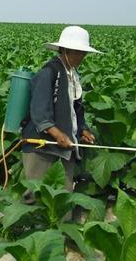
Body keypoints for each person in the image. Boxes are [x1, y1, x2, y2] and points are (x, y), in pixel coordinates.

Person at [21, 25, 101, 206]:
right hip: (42, 147)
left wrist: (82, 130)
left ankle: (60, 234)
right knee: (36, 195)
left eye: (83, 53)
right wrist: (58, 134)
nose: (81, 57)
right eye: (77, 52)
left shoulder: (72, 75)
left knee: (63, 198)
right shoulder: (48, 73)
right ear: (64, 50)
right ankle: (31, 233)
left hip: (64, 146)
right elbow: (40, 112)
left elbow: (75, 110)